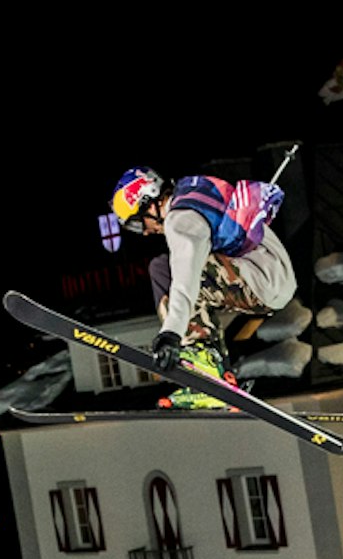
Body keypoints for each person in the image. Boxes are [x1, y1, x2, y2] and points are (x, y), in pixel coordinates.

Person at [110, 165, 296, 409]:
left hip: (261, 279)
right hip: (272, 274)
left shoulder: (181, 218)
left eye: (137, 223)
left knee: (162, 270)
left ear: (150, 203)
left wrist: (172, 333)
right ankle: (221, 376)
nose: (144, 232)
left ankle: (206, 369)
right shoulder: (195, 189)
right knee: (178, 274)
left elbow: (186, 276)